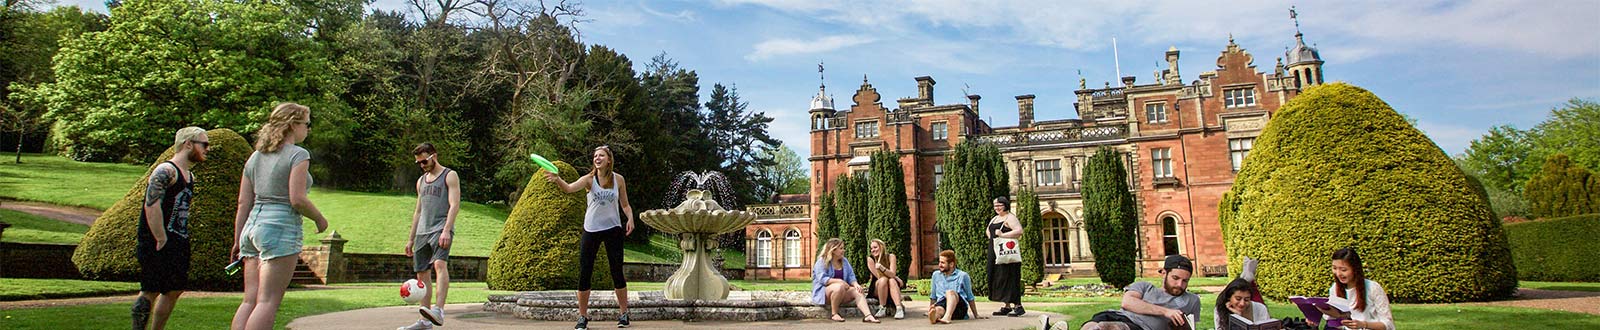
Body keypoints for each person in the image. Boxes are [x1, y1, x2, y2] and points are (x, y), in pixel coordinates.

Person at [231, 103, 331, 330]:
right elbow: (296, 198)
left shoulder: (255, 157)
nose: (308, 129)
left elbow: (243, 202)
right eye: (306, 124)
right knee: (268, 301)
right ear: (293, 125)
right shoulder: (298, 154)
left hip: (251, 227)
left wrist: (238, 240)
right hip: (279, 227)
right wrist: (319, 218)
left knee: (249, 300)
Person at [545, 145, 634, 330]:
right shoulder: (589, 179)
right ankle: (583, 317)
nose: (597, 158)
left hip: (613, 229)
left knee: (617, 271)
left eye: (601, 155)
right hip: (591, 229)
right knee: (585, 272)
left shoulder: (619, 179)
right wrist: (558, 179)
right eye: (595, 156)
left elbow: (625, 204)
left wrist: (630, 218)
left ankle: (624, 314)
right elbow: (569, 189)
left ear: (609, 159)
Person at [132, 127, 209, 330]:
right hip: (156, 240)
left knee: (174, 289)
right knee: (150, 289)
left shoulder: (190, 176)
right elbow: (152, 204)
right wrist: (160, 237)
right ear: (188, 144)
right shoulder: (166, 171)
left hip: (178, 239)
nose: (207, 149)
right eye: (204, 144)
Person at [398, 143, 461, 330]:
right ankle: (425, 321)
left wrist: (446, 230)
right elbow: (418, 211)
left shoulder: (450, 175)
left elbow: (454, 204)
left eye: (424, 160)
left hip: (440, 228)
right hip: (422, 232)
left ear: (434, 156)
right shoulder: (421, 181)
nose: (422, 165)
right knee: (422, 273)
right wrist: (410, 239)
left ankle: (439, 311)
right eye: (418, 162)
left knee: (439, 264)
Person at [1079, 255, 1200, 330]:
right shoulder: (1144, 286)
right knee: (1091, 325)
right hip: (1117, 315)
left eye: (1185, 281)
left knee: (1107, 327)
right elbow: (1127, 303)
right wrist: (1166, 312)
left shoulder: (1192, 300)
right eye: (1175, 278)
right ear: (1164, 273)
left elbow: (1191, 327)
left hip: (1139, 327)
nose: (1180, 285)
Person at [810, 238, 881, 323]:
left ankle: (868, 316)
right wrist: (840, 281)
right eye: (841, 248)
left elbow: (851, 276)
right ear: (833, 250)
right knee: (838, 287)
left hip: (841, 291)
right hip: (825, 293)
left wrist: (856, 284)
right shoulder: (822, 261)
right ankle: (834, 314)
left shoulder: (844, 261)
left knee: (857, 291)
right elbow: (822, 279)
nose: (843, 250)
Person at [1321, 247, 1393, 330]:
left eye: (1343, 270)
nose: (1338, 273)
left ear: (1355, 269)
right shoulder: (1335, 288)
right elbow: (1335, 321)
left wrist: (1364, 324)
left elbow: (1388, 324)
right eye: (1334, 268)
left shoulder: (1373, 288)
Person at [986, 196, 1025, 317]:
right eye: (995, 205)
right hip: (996, 251)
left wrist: (1003, 235)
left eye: (999, 205)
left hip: (1008, 253)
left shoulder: (1011, 217)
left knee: (1010, 277)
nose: (996, 208)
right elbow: (988, 230)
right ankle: (1007, 305)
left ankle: (1018, 306)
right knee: (999, 277)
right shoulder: (995, 218)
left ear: (1005, 205)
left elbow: (1019, 231)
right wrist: (993, 240)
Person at [928, 250, 985, 325]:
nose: (939, 265)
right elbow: (933, 296)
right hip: (942, 304)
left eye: (942, 263)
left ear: (951, 264)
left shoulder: (963, 276)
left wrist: (976, 315)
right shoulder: (936, 275)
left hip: (959, 306)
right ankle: (935, 317)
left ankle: (947, 317)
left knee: (949, 292)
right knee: (939, 309)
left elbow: (970, 296)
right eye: (939, 262)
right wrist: (931, 308)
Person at [866, 239, 905, 320]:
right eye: (871, 248)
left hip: (890, 284)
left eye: (875, 247)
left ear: (881, 247)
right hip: (878, 286)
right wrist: (896, 277)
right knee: (884, 280)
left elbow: (892, 274)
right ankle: (882, 307)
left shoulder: (891, 257)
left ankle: (899, 308)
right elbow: (878, 276)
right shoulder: (870, 259)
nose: (873, 250)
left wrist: (882, 268)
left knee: (891, 280)